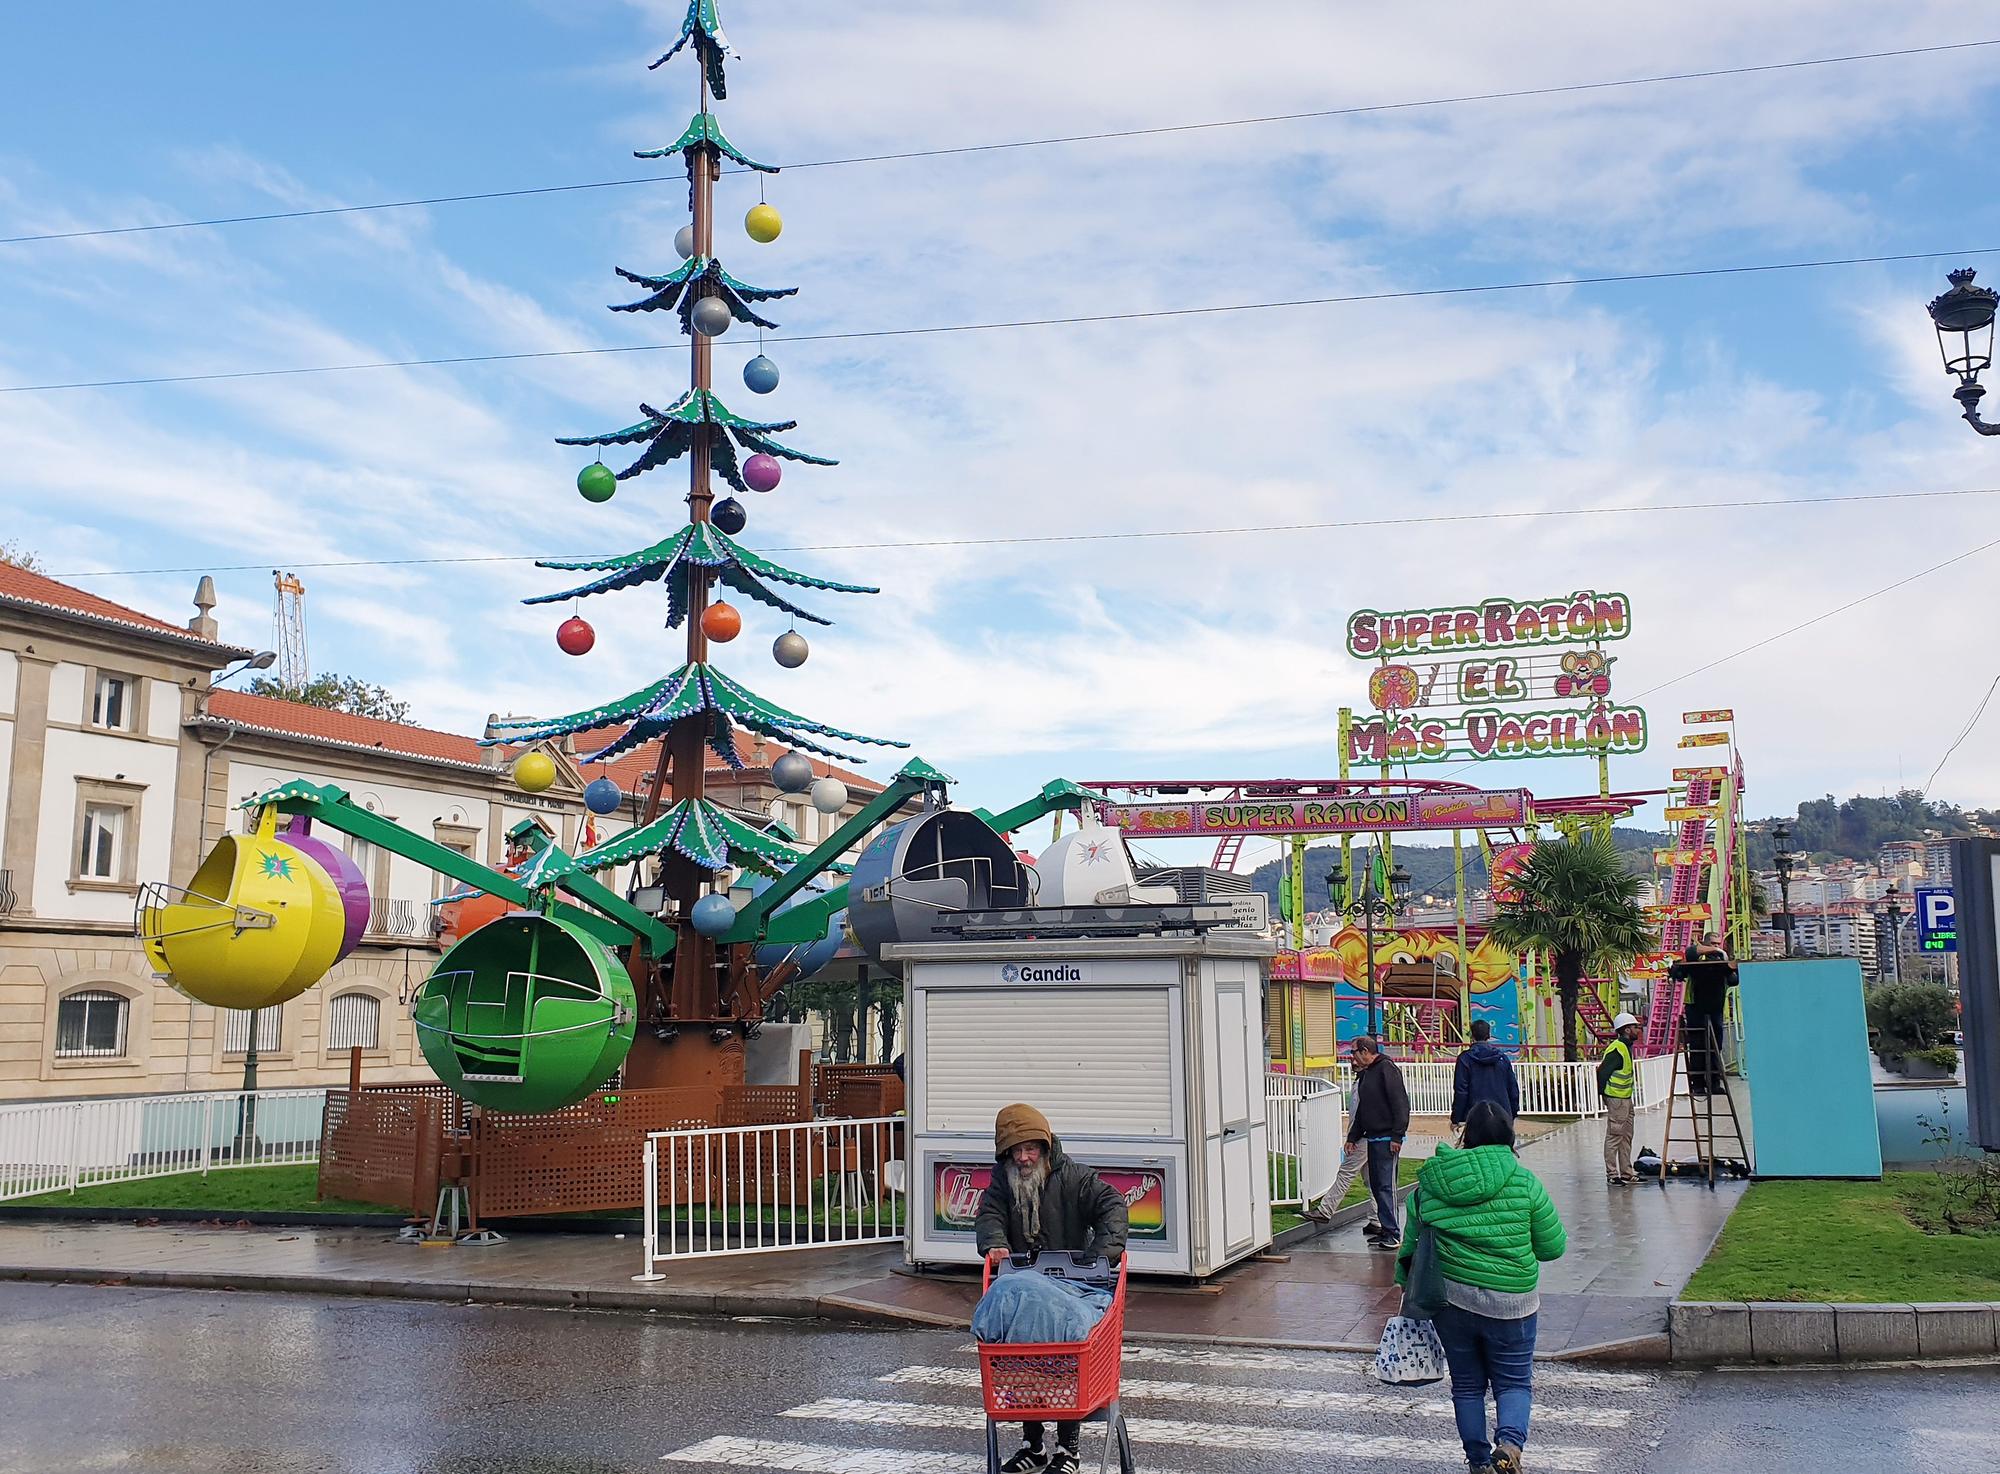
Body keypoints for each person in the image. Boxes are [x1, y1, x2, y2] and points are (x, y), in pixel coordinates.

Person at [1397, 1100, 1566, 1474]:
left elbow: (1409, 1250)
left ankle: (1477, 1462)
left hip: (1451, 1302)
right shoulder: (1524, 1182)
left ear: (1466, 1137)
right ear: (1510, 1137)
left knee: (1468, 1386)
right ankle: (1508, 1445)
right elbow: (1553, 1247)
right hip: (1512, 1305)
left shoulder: (1430, 1183)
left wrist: (1403, 1290)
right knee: (1514, 1383)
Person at [974, 1103, 1129, 1474]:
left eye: (1031, 1149)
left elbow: (1113, 1205)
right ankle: (1034, 1445)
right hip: (1025, 1285)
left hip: (1070, 1288)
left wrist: (1098, 1257)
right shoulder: (1003, 1180)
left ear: (1045, 1148)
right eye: (1017, 1150)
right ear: (1006, 1153)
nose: (1024, 1158)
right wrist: (995, 1242)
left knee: (1066, 1357)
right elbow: (990, 1213)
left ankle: (1068, 1449)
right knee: (1025, 1360)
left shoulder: (1074, 1176)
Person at [1346, 1035, 1410, 1250]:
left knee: (1385, 1185)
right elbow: (1364, 1110)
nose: (1352, 1057)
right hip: (1372, 1137)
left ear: (1365, 1051)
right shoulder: (1366, 1075)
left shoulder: (1387, 1069)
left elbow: (1400, 1103)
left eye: (1353, 1052)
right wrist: (1353, 1137)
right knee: (1376, 1186)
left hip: (1386, 1138)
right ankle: (1385, 1229)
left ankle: (1392, 1232)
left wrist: (1397, 1135)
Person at [1672, 934, 1735, 1094]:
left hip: (1715, 1009)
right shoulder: (1695, 959)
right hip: (1695, 1007)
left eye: (1717, 943)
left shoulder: (1722, 961)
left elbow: (1734, 979)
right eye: (1712, 943)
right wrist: (1716, 950)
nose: (1716, 946)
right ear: (1705, 943)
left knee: (1716, 1047)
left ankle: (1714, 1083)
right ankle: (1698, 1084)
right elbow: (1690, 953)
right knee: (1697, 1047)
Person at [1597, 1011, 1641, 1185]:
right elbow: (1602, 1073)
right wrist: (1606, 1097)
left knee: (1626, 1136)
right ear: (1626, 1029)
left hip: (1625, 1099)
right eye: (1635, 1027)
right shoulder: (1617, 1049)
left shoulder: (1626, 1046)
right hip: (1616, 1099)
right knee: (1615, 1136)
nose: (1637, 1030)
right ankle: (1612, 1174)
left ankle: (1626, 1173)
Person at [1451, 1020, 1520, 1129]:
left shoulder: (1465, 1059)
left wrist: (1456, 1118)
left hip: (1474, 1116)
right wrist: (1512, 1113)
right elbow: (1513, 1089)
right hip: (1502, 1115)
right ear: (1489, 1035)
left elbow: (1461, 1091)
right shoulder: (1502, 1058)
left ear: (1472, 1035)